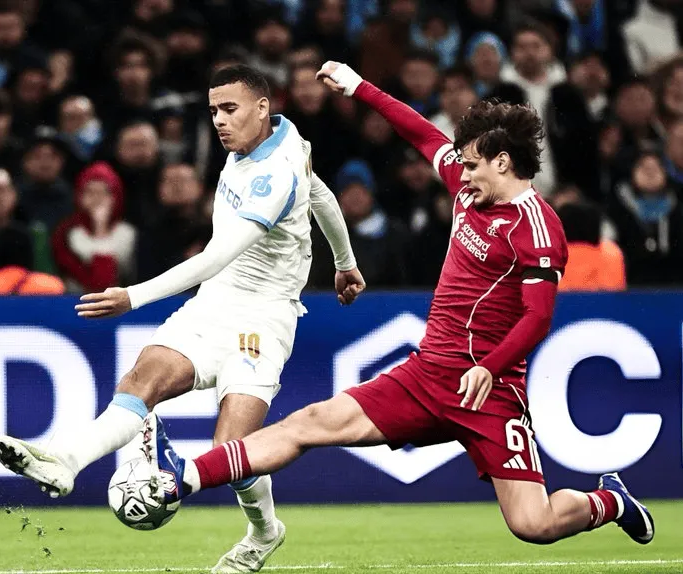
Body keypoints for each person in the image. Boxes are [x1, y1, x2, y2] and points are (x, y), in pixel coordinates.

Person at [144, 61, 656, 551]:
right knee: (309, 423)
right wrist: (358, 86)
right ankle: (181, 478)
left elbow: (538, 317)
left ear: (502, 162)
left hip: (490, 394)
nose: (461, 175)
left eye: (471, 165)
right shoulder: (469, 189)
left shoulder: (538, 228)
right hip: (426, 377)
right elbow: (421, 133)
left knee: (533, 524)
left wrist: (489, 367)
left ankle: (608, 501)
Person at [0, 64, 365, 573]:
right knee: (141, 381)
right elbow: (318, 192)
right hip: (213, 304)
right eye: (213, 111)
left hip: (263, 320)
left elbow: (214, 257)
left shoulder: (273, 176)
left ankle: (264, 532)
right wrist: (345, 262)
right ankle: (64, 463)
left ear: (261, 108)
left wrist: (133, 296)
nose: (219, 121)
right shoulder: (284, 137)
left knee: (232, 454)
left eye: (229, 109)